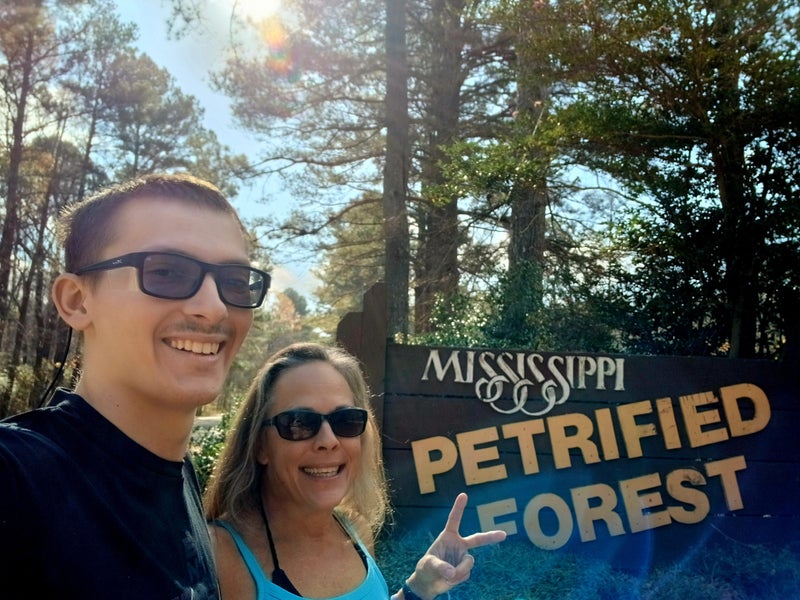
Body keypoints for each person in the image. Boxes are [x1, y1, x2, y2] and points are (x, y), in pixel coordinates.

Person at [0, 173, 270, 599]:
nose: (214, 307)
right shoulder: (15, 478)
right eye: (166, 272)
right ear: (77, 301)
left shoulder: (178, 475)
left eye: (235, 281)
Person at [204, 342, 506, 600]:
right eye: (299, 423)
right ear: (260, 445)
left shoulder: (353, 530)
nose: (328, 441)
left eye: (346, 421)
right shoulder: (221, 555)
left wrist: (420, 588)